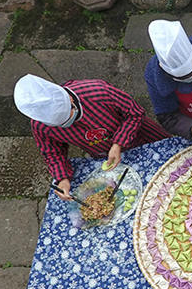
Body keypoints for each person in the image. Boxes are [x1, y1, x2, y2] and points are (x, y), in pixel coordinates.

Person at [13, 74, 169, 200]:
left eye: (70, 115)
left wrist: (118, 143)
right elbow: (53, 153)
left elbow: (134, 112)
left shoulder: (98, 91)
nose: (69, 124)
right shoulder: (40, 126)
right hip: (102, 153)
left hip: (144, 136)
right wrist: (62, 179)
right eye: (61, 124)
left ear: (71, 99)